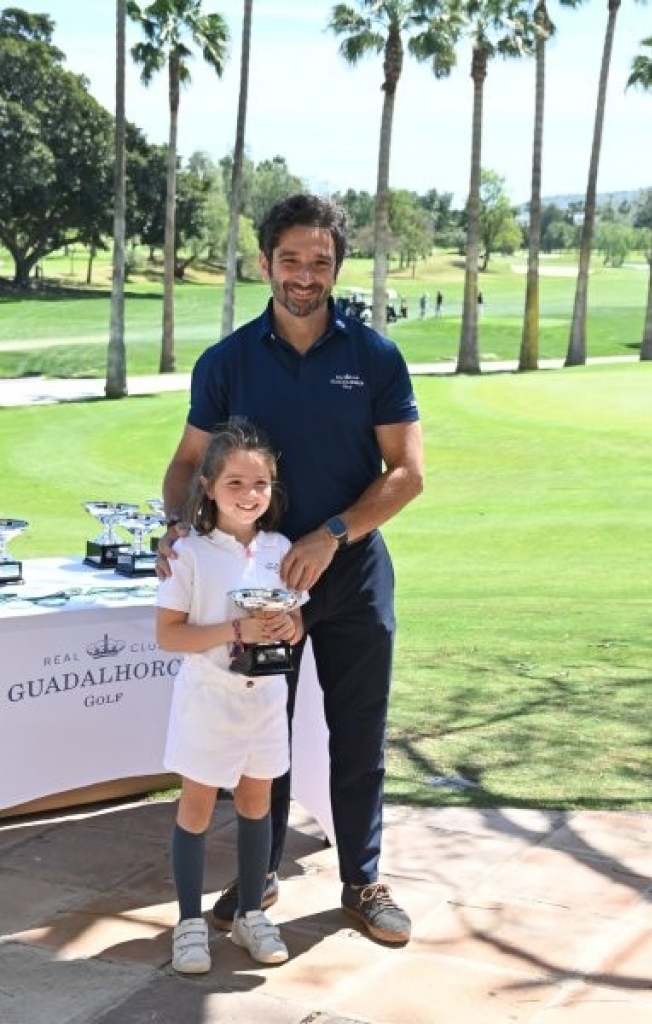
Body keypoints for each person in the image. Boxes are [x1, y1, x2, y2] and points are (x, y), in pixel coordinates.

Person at [157, 192, 424, 946]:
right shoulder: (227, 361)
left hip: (354, 572)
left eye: (320, 261)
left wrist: (332, 534)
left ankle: (362, 879)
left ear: (338, 266)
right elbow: (185, 465)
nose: (305, 275)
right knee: (260, 727)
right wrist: (177, 526)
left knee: (359, 731)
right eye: (291, 259)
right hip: (260, 587)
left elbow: (407, 474)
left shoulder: (373, 356)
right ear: (265, 261)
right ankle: (261, 874)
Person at [157, 419, 306, 974]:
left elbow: (295, 622)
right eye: (235, 483)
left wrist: (288, 626)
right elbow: (169, 635)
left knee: (256, 802)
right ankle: (189, 922)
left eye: (260, 483)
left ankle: (250, 914)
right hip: (209, 700)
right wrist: (235, 630)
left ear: (273, 488)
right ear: (209, 487)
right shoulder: (189, 554)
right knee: (197, 806)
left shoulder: (280, 548)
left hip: (264, 699)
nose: (249, 494)